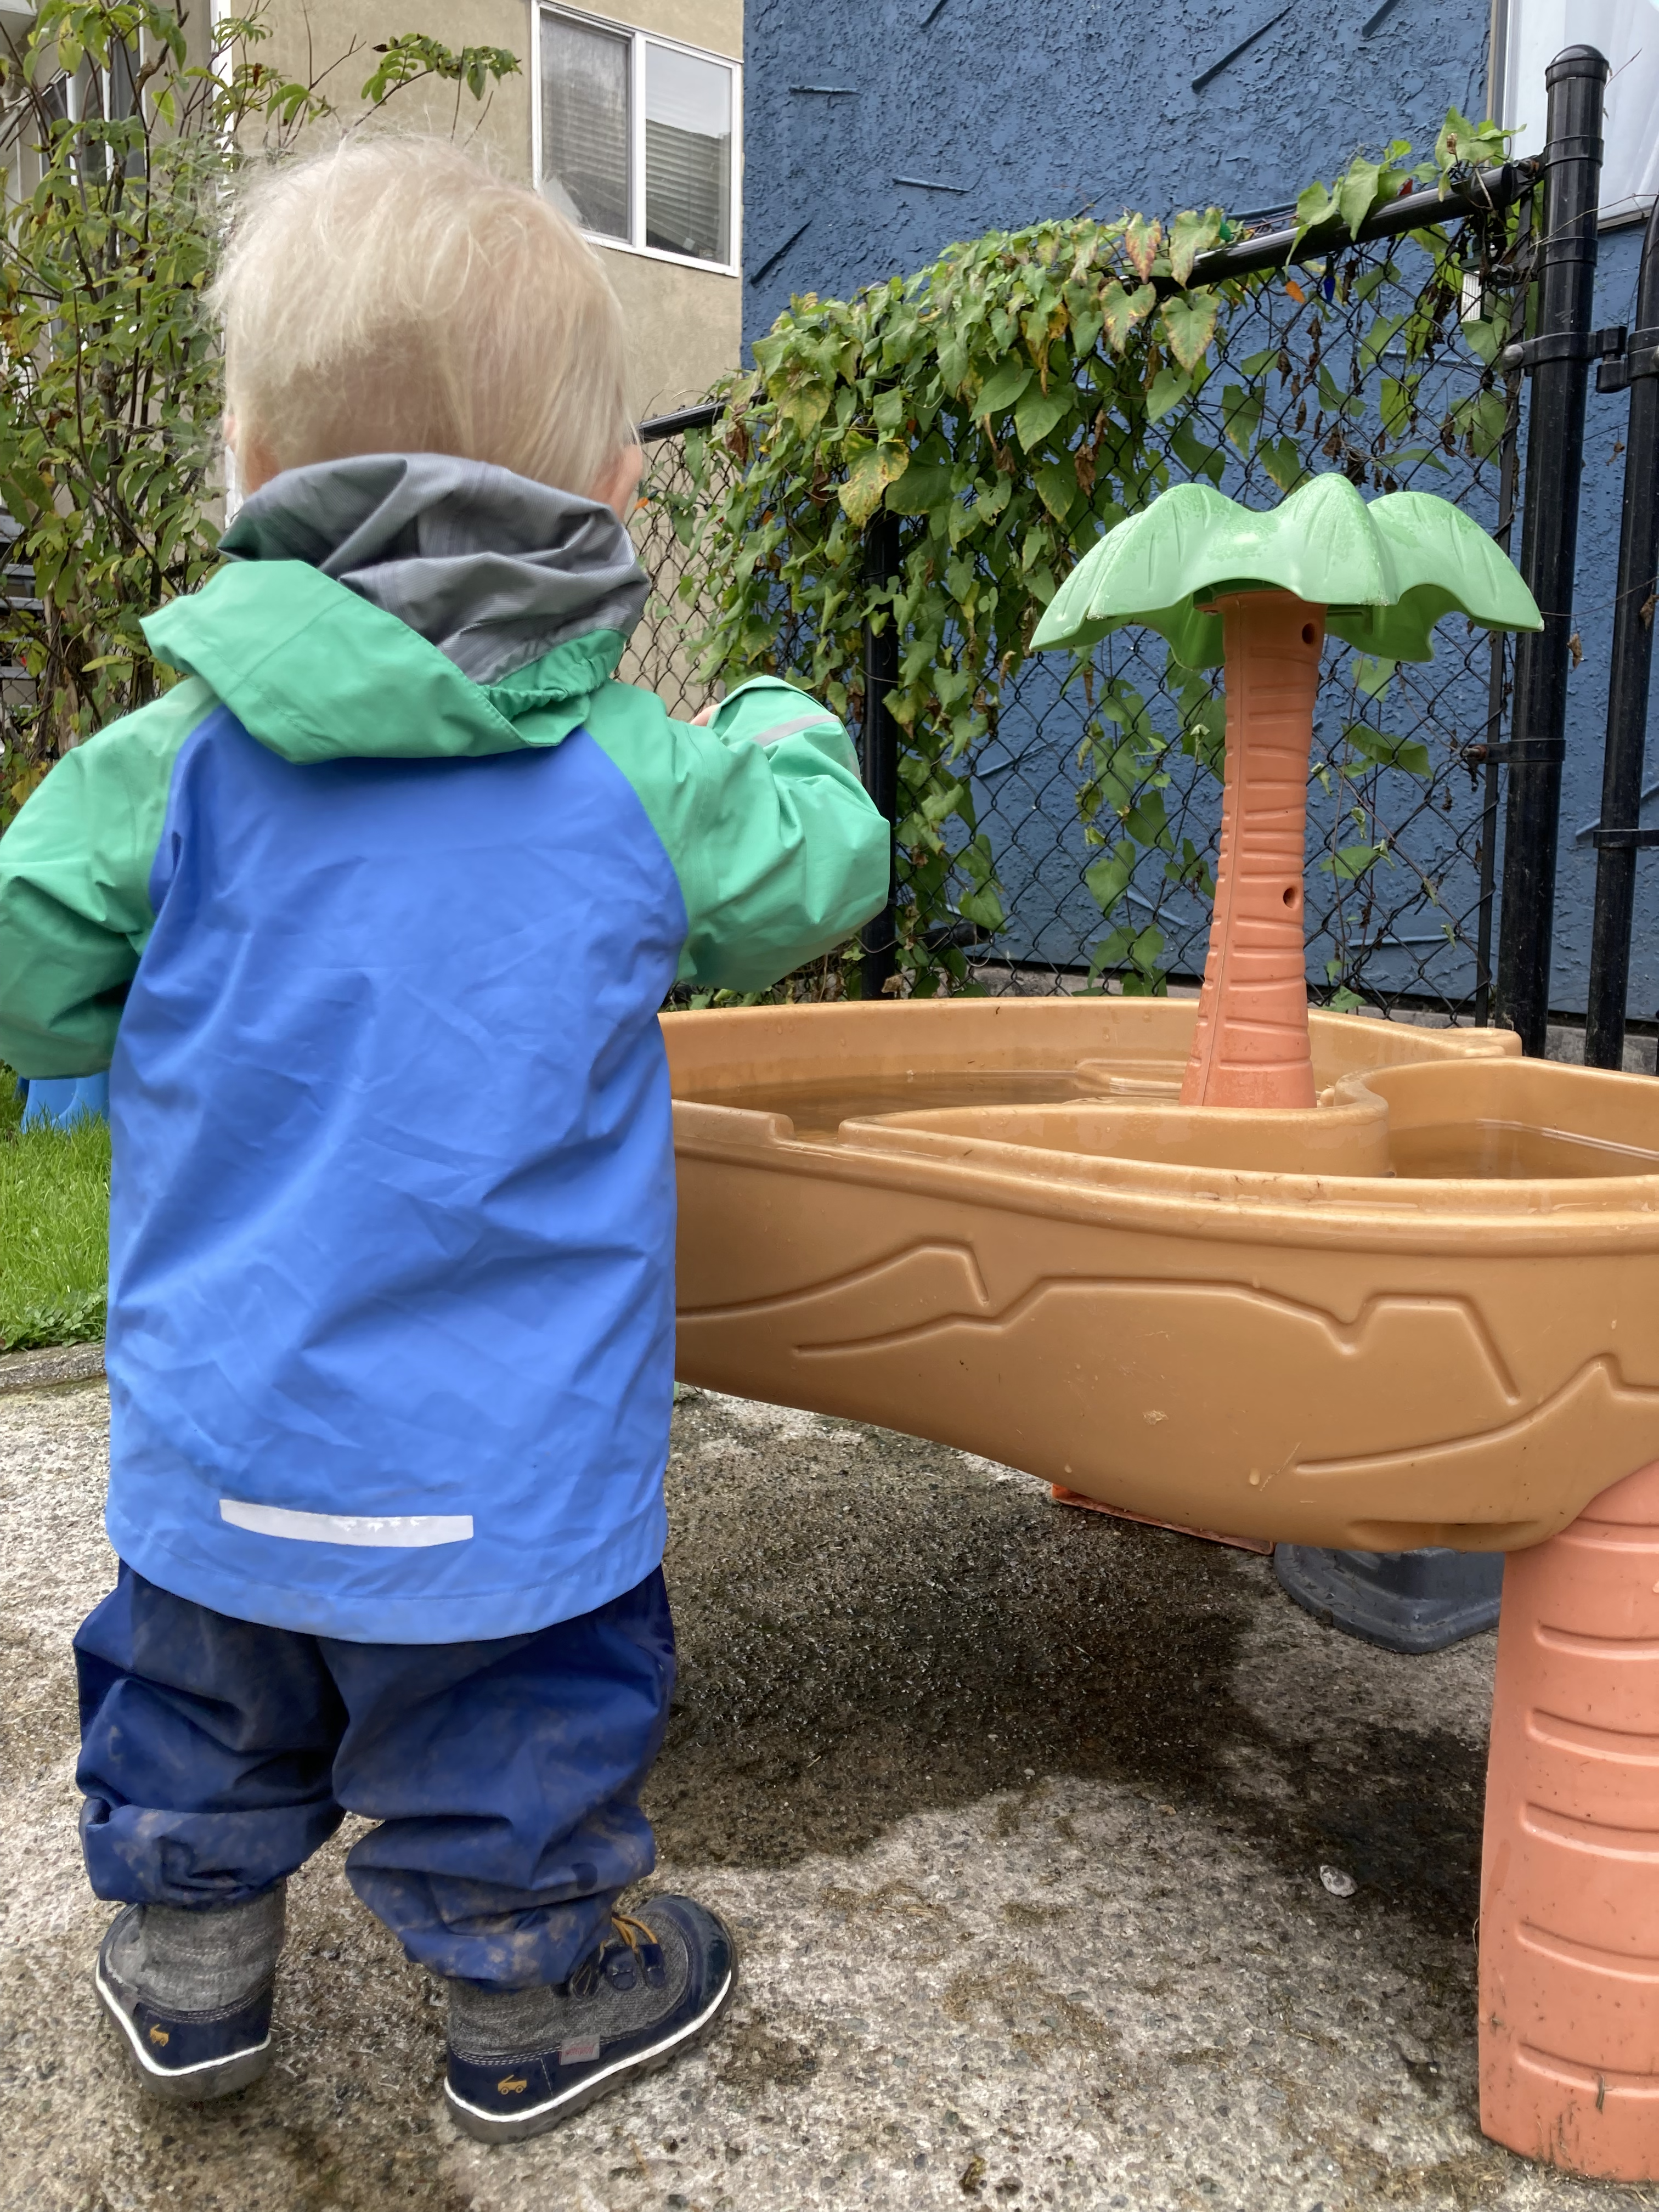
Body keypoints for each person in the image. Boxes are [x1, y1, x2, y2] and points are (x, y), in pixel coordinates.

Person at [0, 137, 888, 2143]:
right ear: (613, 495)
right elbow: (824, 868)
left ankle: (192, 1965)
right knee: (511, 1743)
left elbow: (22, 978)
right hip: (507, 1484)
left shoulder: (166, 772)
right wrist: (784, 719)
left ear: (245, 477)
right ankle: (529, 1998)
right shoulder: (634, 776)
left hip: (225, 1460)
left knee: (194, 1716)